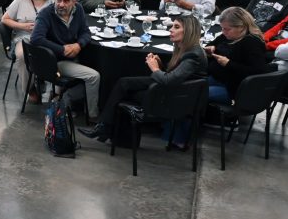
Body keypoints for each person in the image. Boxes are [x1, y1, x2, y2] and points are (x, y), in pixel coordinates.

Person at [81, 15, 206, 145]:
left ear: (188, 31)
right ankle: (109, 130)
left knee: (124, 90)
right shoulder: (187, 49)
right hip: (176, 92)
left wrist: (155, 69)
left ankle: (110, 131)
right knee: (124, 84)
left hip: (178, 99)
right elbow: (176, 76)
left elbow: (169, 81)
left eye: (176, 27)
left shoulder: (193, 55)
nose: (171, 30)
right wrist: (160, 65)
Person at [30, 0, 101, 120]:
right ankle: (93, 116)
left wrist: (78, 45)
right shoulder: (46, 13)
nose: (61, 4)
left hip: (75, 55)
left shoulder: (78, 9)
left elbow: (86, 32)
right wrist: (62, 49)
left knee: (103, 67)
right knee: (94, 76)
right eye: (59, 0)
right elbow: (36, 38)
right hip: (56, 61)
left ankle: (66, 98)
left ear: (74, 1)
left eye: (66, 1)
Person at [2, 0, 55, 102]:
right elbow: (4, 19)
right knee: (21, 55)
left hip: (47, 38)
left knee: (58, 52)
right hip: (24, 37)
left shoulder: (52, 0)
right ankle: (29, 88)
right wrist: (23, 26)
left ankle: (54, 90)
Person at [204, 7, 268, 104]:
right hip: (219, 78)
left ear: (241, 27)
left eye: (227, 29)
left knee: (196, 92)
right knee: (189, 86)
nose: (223, 32)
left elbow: (257, 72)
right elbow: (213, 43)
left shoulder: (252, 42)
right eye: (222, 28)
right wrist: (211, 48)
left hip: (236, 89)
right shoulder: (227, 35)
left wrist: (228, 63)